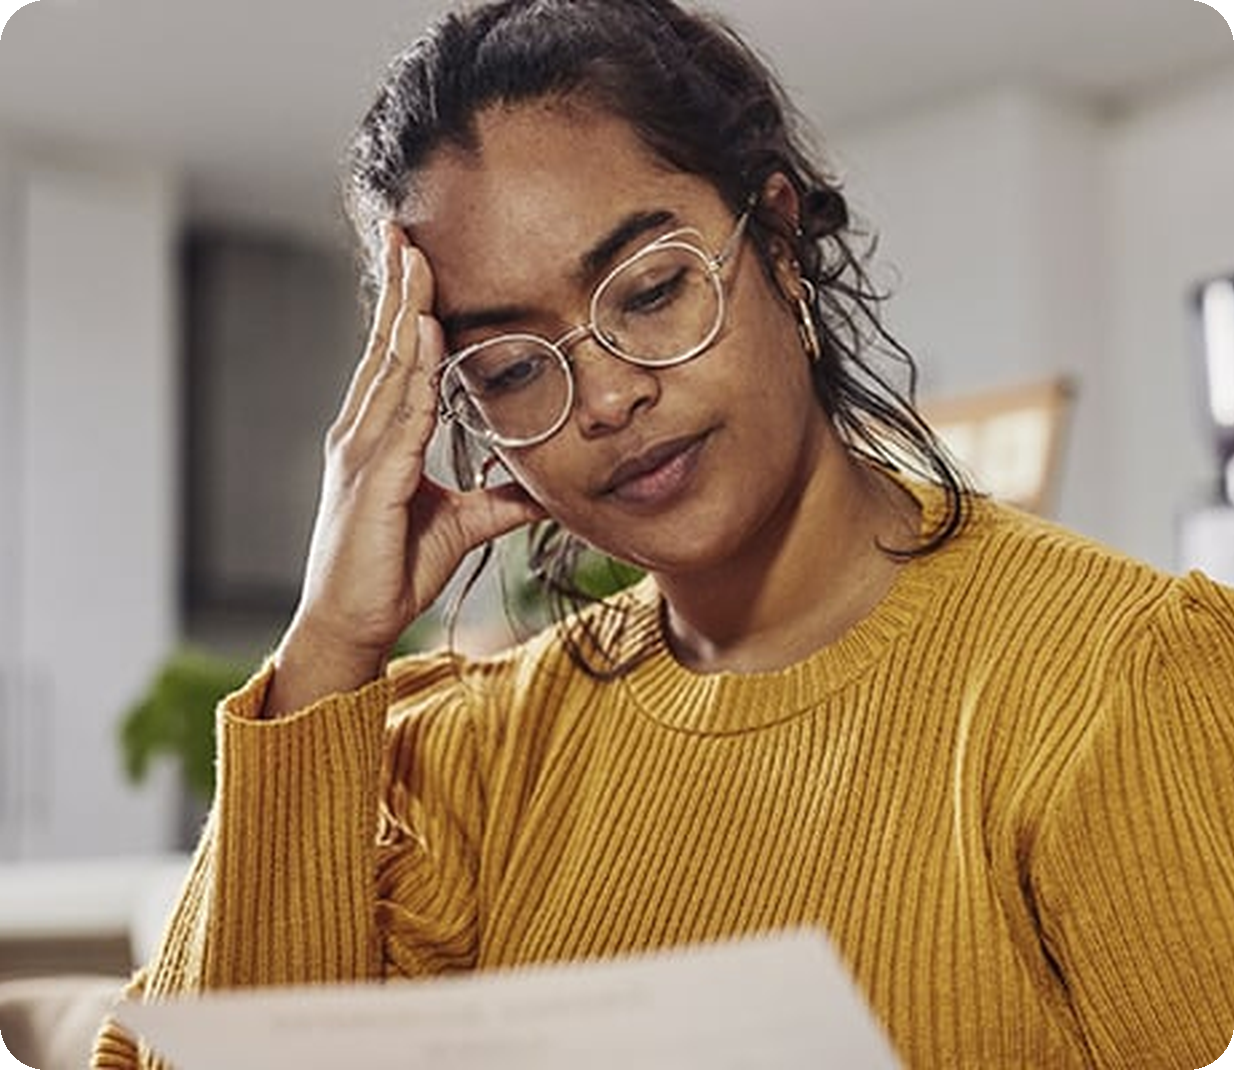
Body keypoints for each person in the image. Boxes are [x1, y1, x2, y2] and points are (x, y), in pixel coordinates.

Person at [95, 0, 1234, 1066]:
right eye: (509, 365)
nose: (602, 398)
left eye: (649, 292)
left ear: (779, 242)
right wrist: (328, 647)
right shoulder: (471, 761)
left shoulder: (1115, 678)